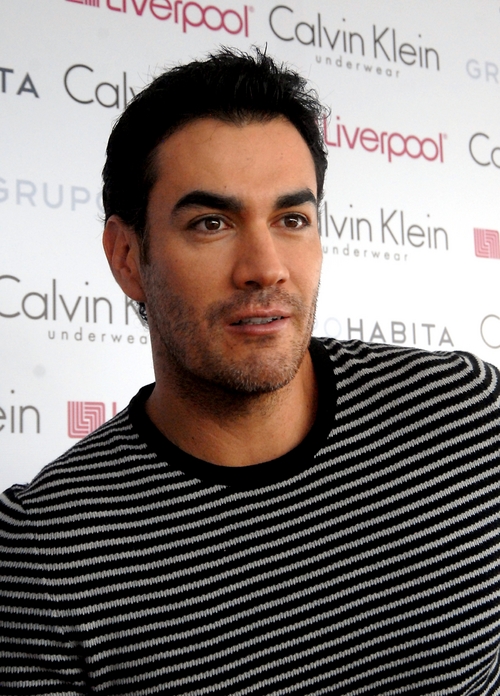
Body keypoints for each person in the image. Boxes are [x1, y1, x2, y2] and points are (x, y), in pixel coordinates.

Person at [1, 48, 499, 696]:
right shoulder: (41, 553)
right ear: (126, 257)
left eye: (292, 220)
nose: (265, 267)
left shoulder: (466, 414)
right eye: (211, 223)